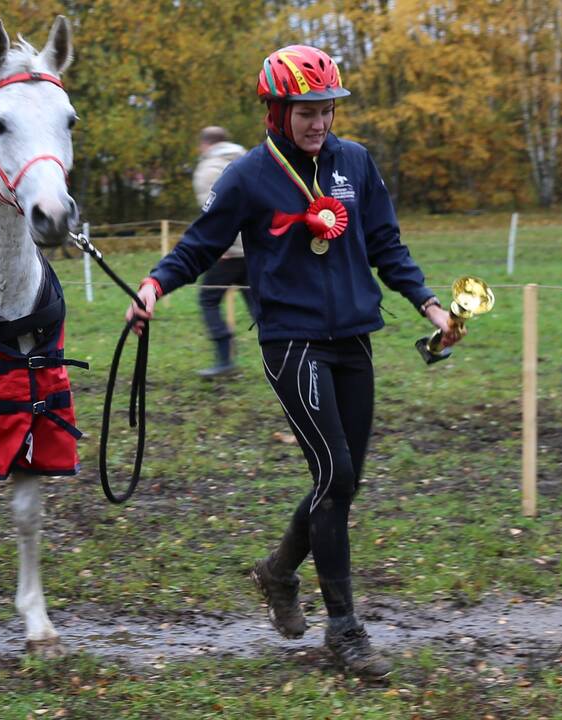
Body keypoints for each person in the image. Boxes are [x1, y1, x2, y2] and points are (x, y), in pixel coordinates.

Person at [125, 45, 464, 678]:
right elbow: (200, 246)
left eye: (327, 110)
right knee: (333, 472)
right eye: (306, 111)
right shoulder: (249, 176)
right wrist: (152, 288)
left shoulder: (356, 163)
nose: (319, 122)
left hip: (354, 340)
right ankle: (344, 630)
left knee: (343, 483)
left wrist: (431, 306)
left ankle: (279, 572)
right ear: (277, 112)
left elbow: (386, 244)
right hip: (291, 343)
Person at [192, 126, 256, 377]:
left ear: (205, 145)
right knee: (258, 304)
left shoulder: (208, 170)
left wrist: (222, 246)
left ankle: (224, 358)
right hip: (253, 248)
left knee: (208, 299)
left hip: (229, 250)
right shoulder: (245, 161)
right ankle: (289, 349)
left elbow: (217, 215)